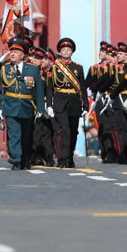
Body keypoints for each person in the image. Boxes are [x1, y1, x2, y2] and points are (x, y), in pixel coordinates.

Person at [0, 38, 45, 170]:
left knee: (26, 136)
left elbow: (39, 90)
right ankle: (16, 160)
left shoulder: (32, 69)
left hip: (27, 106)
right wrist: (0, 61)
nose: (12, 54)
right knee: (14, 135)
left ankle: (24, 159)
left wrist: (41, 109)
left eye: (16, 52)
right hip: (11, 106)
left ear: (23, 55)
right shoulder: (5, 68)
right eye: (11, 51)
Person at [46, 38, 86, 169]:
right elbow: (50, 89)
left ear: (72, 52)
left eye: (68, 49)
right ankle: (63, 158)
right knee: (64, 131)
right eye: (63, 50)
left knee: (73, 132)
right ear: (60, 52)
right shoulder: (54, 68)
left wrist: (85, 106)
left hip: (74, 103)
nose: (66, 51)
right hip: (60, 102)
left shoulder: (78, 68)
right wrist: (49, 105)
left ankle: (70, 156)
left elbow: (82, 88)